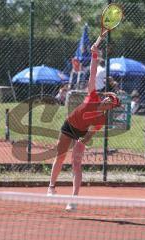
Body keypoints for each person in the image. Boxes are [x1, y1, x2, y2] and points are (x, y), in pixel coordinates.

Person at [47, 33, 120, 211]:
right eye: (108, 97)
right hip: (68, 125)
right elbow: (93, 72)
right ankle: (51, 188)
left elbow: (89, 135)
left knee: (76, 163)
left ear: (111, 107)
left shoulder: (101, 119)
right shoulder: (93, 94)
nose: (107, 100)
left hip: (80, 133)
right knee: (60, 156)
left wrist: (81, 143)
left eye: (111, 101)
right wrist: (95, 51)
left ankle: (74, 199)